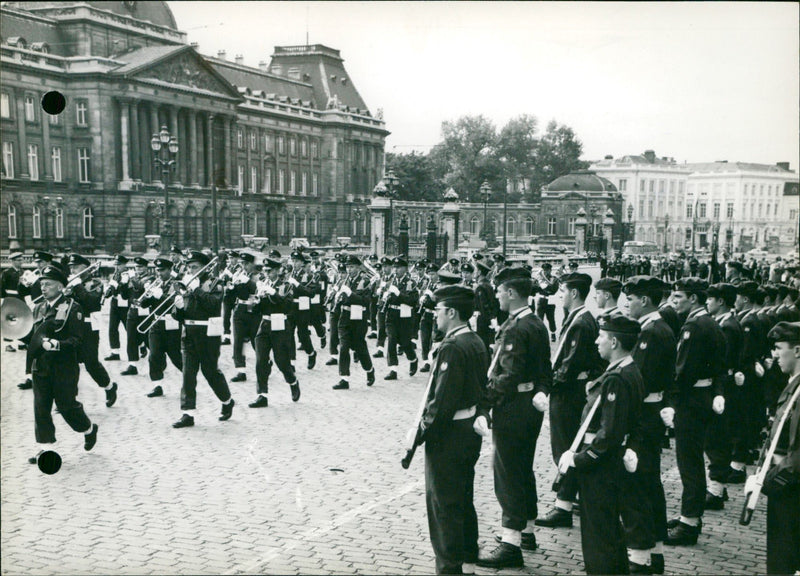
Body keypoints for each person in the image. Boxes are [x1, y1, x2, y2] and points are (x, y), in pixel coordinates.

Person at [408, 285, 489, 574]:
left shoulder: (453, 346)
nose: (435, 316)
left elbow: (441, 401)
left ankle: (449, 567)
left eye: (439, 311)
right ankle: (467, 559)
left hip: (450, 433)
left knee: (443, 504)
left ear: (452, 312)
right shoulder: (475, 340)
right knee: (462, 497)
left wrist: (420, 433)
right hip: (467, 429)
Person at [477, 267, 553, 569]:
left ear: (511, 293)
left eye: (500, 291)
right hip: (529, 406)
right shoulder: (535, 322)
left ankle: (510, 543)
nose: (496, 295)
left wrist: (484, 401)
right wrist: (542, 391)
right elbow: (545, 370)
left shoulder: (517, 328)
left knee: (507, 472)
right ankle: (527, 531)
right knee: (523, 468)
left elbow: (507, 375)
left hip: (513, 407)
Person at [558, 314, 644, 575]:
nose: (597, 341)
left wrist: (581, 459)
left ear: (615, 342)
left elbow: (608, 434)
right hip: (611, 463)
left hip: (601, 467)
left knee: (598, 535)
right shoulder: (628, 370)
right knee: (608, 531)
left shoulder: (616, 378)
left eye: (602, 337)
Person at [538, 272, 605, 528]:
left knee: (565, 446)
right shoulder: (579, 318)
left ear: (574, 293)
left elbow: (568, 364)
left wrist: (547, 386)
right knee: (567, 445)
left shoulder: (580, 322)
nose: (559, 295)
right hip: (573, 390)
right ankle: (568, 499)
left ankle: (563, 505)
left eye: (563, 291)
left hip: (567, 394)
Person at [663, 278, 727, 546]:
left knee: (689, 462)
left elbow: (683, 371)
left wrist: (671, 402)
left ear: (693, 299)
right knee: (692, 459)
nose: (674, 302)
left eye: (678, 297)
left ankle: (690, 521)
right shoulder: (710, 322)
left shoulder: (693, 325)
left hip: (690, 401)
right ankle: (689, 516)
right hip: (703, 397)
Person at [27, 263, 99, 464]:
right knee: (41, 407)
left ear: (60, 286)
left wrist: (57, 345)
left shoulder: (71, 307)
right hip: (41, 365)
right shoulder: (38, 307)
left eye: (48, 284)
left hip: (63, 367)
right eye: (42, 284)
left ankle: (89, 429)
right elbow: (33, 336)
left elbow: (77, 340)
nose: (43, 288)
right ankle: (45, 447)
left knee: (67, 406)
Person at [755, 321, 800, 575]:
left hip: (789, 487)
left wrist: (769, 480)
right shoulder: (793, 383)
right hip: (786, 482)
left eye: (779, 348)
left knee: (783, 559)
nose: (774, 354)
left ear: (797, 351)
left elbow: (797, 455)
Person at [171, 251, 235, 428]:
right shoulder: (189, 284)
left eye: (195, 267)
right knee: (188, 374)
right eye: (189, 267)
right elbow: (180, 315)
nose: (191, 270)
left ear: (205, 267)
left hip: (208, 334)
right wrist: (178, 308)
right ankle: (188, 413)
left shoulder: (215, 283)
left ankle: (227, 400)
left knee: (210, 372)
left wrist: (197, 289)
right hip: (189, 333)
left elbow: (214, 305)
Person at [704, 283, 744, 510]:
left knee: (716, 437)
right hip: (725, 385)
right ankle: (717, 486)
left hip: (723, 388)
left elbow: (722, 361)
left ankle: (716, 490)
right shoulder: (724, 323)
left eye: (711, 299)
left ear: (721, 301)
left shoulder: (727, 326)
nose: (707, 302)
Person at [65, 253, 118, 407]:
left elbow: (91, 302)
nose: (73, 270)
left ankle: (109, 386)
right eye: (71, 267)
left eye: (76, 267)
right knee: (70, 363)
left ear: (85, 268)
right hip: (71, 327)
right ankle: (69, 399)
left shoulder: (95, 283)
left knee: (91, 363)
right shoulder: (72, 283)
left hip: (88, 328)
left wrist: (77, 285)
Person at [249, 257, 300, 407]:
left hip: (280, 325)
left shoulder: (286, 286)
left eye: (269, 271)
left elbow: (286, 306)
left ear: (278, 271)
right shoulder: (263, 286)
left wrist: (273, 293)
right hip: (264, 324)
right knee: (260, 361)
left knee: (282, 361)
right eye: (265, 271)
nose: (267, 274)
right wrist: (257, 301)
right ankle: (262, 395)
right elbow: (254, 310)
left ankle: (293, 381)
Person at [139, 257, 184, 398]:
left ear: (170, 270)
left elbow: (176, 304)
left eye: (162, 270)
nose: (159, 273)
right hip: (156, 323)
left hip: (171, 324)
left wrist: (161, 295)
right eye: (158, 270)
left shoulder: (177, 284)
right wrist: (147, 294)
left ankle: (189, 379)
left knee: (175, 356)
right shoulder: (155, 284)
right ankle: (157, 385)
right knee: (154, 355)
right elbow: (144, 305)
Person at [332, 255, 376, 390]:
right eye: (348, 267)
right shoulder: (344, 281)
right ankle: (344, 378)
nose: (349, 270)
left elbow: (364, 301)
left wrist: (349, 294)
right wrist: (337, 297)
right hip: (345, 317)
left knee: (360, 347)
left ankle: (369, 369)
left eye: (352, 267)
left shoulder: (365, 281)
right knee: (344, 347)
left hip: (358, 318)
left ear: (358, 267)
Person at [383, 257, 419, 380]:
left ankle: (413, 359)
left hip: (404, 316)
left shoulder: (410, 283)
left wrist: (398, 294)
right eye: (394, 267)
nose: (396, 270)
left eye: (398, 267)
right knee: (391, 339)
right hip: (392, 315)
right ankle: (393, 369)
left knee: (405, 343)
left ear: (405, 269)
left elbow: (412, 301)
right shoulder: (390, 282)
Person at [230, 252, 261, 382]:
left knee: (256, 341)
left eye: (247, 263)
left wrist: (248, 282)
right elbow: (232, 293)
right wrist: (231, 286)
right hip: (240, 309)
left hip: (254, 310)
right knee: (238, 341)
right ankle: (240, 371)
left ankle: (264, 362)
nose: (244, 266)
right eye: (242, 263)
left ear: (252, 264)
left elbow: (259, 290)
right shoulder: (239, 275)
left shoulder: (259, 276)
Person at [2, 251, 24, 352]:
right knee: (9, 321)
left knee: (22, 320)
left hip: (21, 299)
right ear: (13, 261)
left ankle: (21, 342)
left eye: (21, 260)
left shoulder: (22, 272)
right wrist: (3, 300)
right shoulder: (7, 273)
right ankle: (8, 344)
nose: (21, 262)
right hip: (10, 299)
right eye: (19, 260)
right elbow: (2, 287)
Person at [535, 262, 559, 342]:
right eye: (544, 270)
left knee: (551, 318)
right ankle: (539, 335)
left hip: (550, 300)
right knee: (539, 318)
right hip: (541, 300)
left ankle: (553, 333)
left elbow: (553, 289)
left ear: (550, 270)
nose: (545, 272)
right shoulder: (539, 279)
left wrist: (544, 287)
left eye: (547, 270)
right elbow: (536, 288)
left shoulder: (554, 278)